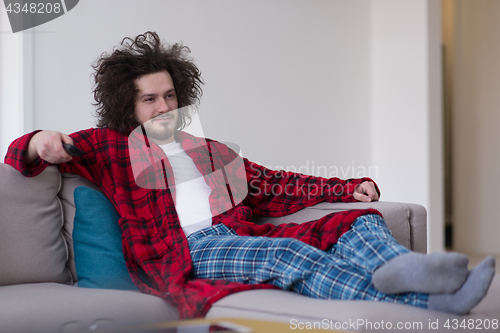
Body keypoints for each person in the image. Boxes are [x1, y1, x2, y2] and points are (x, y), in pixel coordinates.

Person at [5, 32, 495, 319]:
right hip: (184, 253)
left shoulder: (208, 151)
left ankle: (396, 264)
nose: (163, 106)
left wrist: (348, 189)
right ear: (128, 104)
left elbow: (276, 182)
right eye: (150, 98)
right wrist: (37, 142)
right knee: (285, 251)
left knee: (354, 221)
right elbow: (24, 155)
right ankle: (426, 301)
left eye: (170, 95)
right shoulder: (109, 147)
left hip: (234, 235)